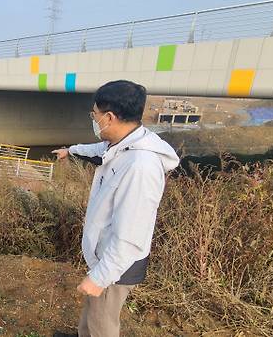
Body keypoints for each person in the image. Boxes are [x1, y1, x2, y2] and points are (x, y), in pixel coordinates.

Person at [51, 80, 179, 337]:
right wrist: (71, 151)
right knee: (94, 309)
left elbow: (130, 236)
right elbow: (99, 151)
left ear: (109, 117)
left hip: (117, 263)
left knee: (103, 323)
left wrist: (100, 277)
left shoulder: (140, 167)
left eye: (94, 115)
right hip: (105, 253)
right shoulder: (124, 143)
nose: (94, 119)